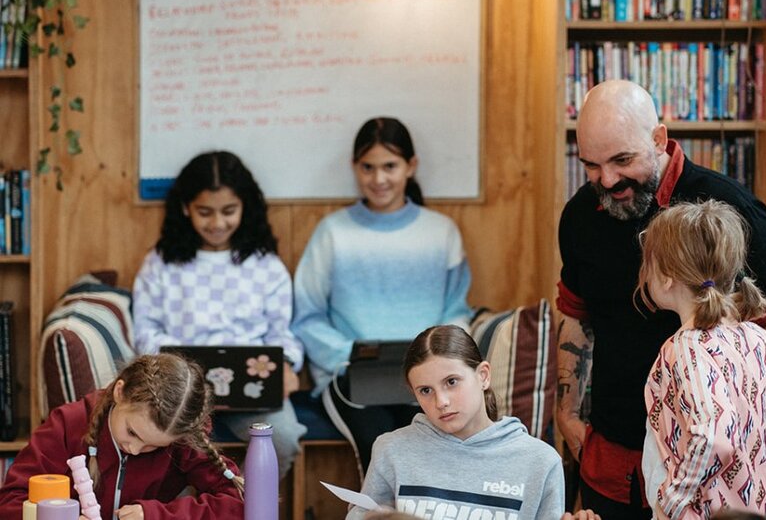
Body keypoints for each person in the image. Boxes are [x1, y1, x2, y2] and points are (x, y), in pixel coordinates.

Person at [555, 80, 766, 519]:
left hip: (709, 484)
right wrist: (567, 412)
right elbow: (576, 317)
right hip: (611, 453)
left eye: (622, 160)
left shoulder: (727, 206)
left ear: (658, 139)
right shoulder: (579, 216)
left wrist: (752, 442)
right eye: (592, 165)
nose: (607, 179)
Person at [293, 117, 472, 476]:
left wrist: (437, 364)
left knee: (433, 451)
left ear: (411, 166)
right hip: (351, 378)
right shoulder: (332, 233)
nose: (379, 179)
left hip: (427, 377)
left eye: (390, 166)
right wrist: (349, 357)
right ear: (355, 168)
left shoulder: (441, 232)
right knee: (380, 453)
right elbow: (307, 317)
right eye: (368, 167)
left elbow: (457, 310)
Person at [133, 150, 306, 477]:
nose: (217, 224)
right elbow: (145, 329)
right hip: (180, 390)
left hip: (254, 391)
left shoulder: (265, 265)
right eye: (204, 212)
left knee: (282, 438)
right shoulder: (161, 264)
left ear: (245, 206)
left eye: (229, 211)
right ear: (186, 208)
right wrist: (174, 363)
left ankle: (242, 505)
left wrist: (285, 365)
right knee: (162, 442)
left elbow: (283, 332)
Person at [638, 200, 766, 519]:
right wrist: (755, 479)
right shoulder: (762, 340)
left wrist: (673, 502)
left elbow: (711, 435)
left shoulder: (685, 350)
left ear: (666, 278)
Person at [346, 325, 564, 520]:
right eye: (425, 391)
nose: (441, 402)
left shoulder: (541, 462)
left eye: (451, 382)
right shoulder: (391, 449)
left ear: (483, 376)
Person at [0, 354, 243, 519]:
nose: (135, 449)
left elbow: (240, 502)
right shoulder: (67, 424)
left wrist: (156, 515)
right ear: (119, 391)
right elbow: (10, 502)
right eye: (132, 432)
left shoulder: (182, 440)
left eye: (154, 447)